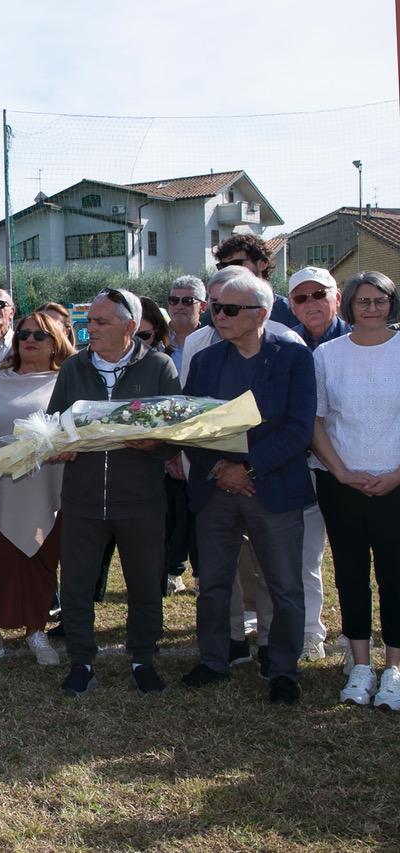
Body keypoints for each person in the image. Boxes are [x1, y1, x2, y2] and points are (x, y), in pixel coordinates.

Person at [179, 269, 315, 706]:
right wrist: (220, 468)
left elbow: (298, 429)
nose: (219, 315)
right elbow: (190, 426)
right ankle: (214, 660)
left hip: (270, 490)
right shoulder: (203, 362)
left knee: (284, 587)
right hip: (216, 490)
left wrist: (247, 469)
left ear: (262, 313)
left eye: (230, 309)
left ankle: (283, 670)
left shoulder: (294, 357)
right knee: (214, 583)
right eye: (216, 307)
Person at [48, 287, 181, 697]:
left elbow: (177, 433)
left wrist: (156, 445)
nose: (91, 330)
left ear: (130, 326)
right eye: (89, 322)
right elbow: (55, 422)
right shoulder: (73, 368)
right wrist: (58, 445)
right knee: (76, 584)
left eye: (102, 322)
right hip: (82, 500)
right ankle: (82, 661)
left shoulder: (159, 367)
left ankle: (142, 658)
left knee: (144, 584)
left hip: (140, 501)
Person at [311, 271, 400, 710]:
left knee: (395, 577)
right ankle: (361, 664)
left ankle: (395, 669)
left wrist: (396, 475)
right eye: (362, 300)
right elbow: (317, 421)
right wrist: (341, 471)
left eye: (379, 299)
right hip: (342, 484)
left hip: (396, 484)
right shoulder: (328, 354)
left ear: (391, 302)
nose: (370, 307)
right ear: (348, 305)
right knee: (350, 574)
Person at [0, 311, 74, 666]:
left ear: (56, 343)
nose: (29, 340)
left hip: (45, 486)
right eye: (24, 335)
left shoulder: (67, 383)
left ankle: (36, 630)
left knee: (39, 559)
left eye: (40, 336)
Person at [287, 266, 346, 660]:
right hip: (301, 468)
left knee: (352, 558)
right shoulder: (288, 346)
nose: (311, 303)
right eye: (301, 298)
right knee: (307, 557)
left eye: (319, 294)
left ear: (336, 297)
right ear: (291, 306)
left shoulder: (360, 341)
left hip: (353, 469)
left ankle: (353, 634)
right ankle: (312, 632)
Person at [213, 233, 296, 327]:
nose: (230, 270)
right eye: (223, 266)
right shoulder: (217, 310)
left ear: (262, 264)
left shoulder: (289, 310)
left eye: (236, 264)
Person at [165, 276, 207, 373]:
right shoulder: (154, 339)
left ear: (203, 306)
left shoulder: (213, 340)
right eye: (174, 300)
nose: (179, 306)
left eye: (187, 301)